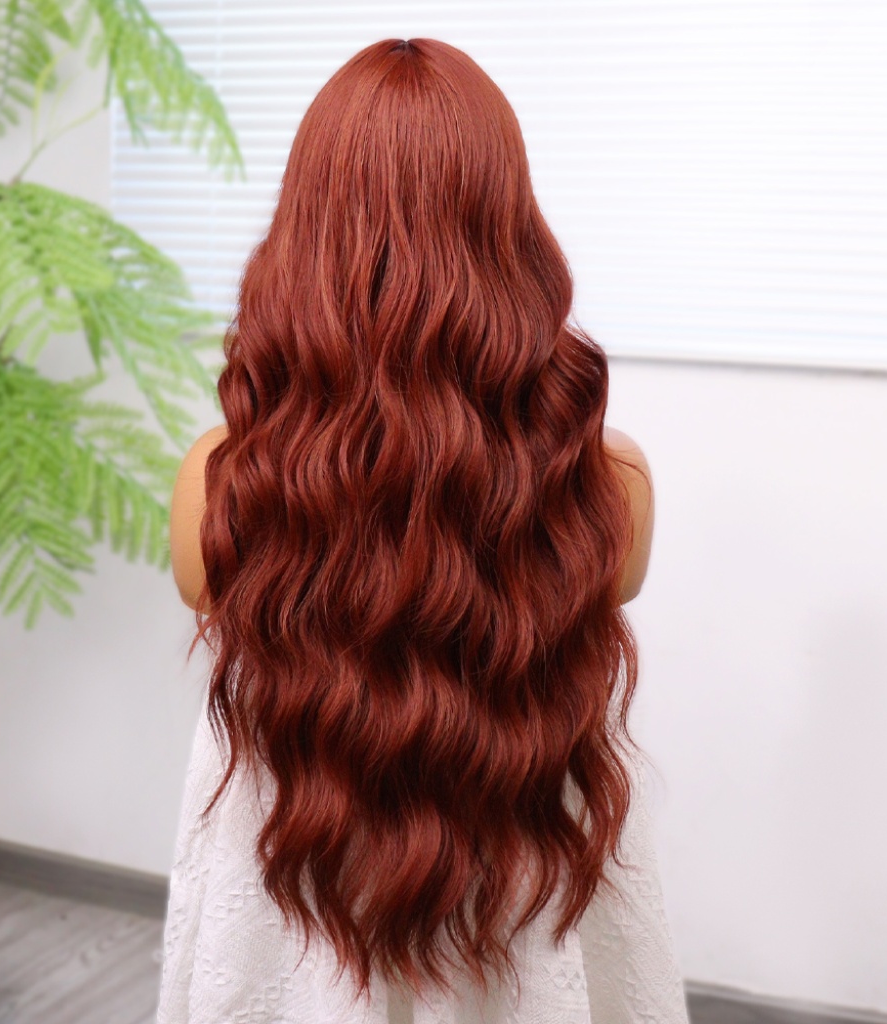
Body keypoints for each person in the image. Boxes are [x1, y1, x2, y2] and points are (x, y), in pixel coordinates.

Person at [156, 38, 688, 1024]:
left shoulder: (223, 485)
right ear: (509, 227)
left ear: (305, 229)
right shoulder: (607, 486)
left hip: (299, 883)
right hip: (519, 885)